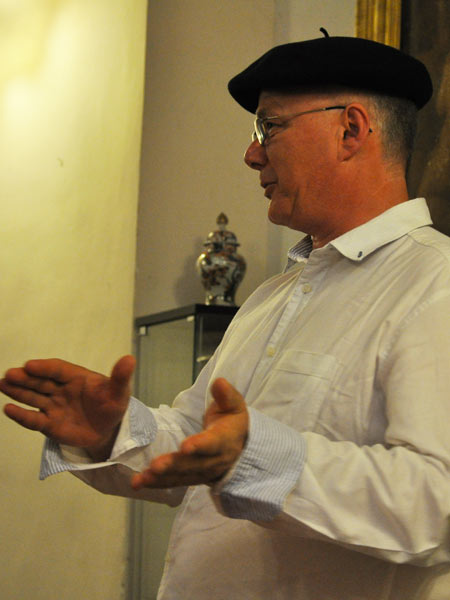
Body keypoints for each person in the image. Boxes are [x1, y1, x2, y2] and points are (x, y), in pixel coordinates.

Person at [2, 33, 450, 600]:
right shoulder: (273, 297)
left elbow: (436, 504)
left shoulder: (434, 284)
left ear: (351, 130)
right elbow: (200, 441)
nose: (252, 154)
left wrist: (254, 456)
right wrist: (113, 432)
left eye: (269, 127)